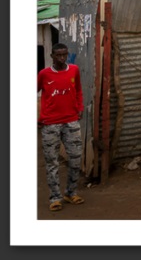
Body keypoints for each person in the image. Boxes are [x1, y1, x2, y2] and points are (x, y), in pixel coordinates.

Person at [37, 43, 85, 212]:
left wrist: (79, 107)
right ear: (52, 56)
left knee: (76, 158)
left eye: (64, 54)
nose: (62, 58)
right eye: (58, 55)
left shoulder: (74, 70)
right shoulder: (44, 74)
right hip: (50, 124)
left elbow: (78, 90)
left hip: (71, 121)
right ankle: (55, 198)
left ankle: (71, 193)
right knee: (52, 162)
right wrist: (38, 115)